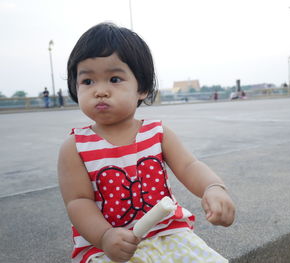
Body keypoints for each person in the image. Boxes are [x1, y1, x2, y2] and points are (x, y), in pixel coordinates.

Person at [58, 22, 235, 263]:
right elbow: (78, 202)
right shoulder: (76, 146)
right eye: (88, 81)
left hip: (169, 235)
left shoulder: (157, 133)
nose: (100, 91)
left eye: (114, 78)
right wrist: (105, 236)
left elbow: (189, 166)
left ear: (141, 87)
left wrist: (213, 188)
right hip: (108, 247)